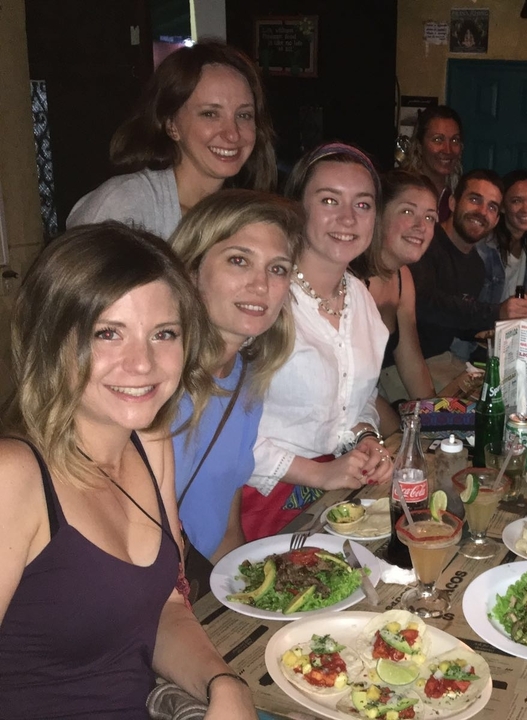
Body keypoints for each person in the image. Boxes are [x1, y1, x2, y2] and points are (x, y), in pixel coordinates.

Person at [0, 222, 255, 717]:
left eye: (163, 334)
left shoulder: (151, 440)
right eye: (107, 333)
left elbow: (165, 605)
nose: (142, 364)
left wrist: (224, 683)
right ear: (53, 340)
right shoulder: (14, 476)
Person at [244, 142, 393, 540]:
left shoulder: (360, 297)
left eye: (363, 205)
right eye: (330, 200)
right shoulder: (263, 297)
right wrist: (319, 473)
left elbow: (357, 401)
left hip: (334, 498)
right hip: (262, 503)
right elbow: (217, 430)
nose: (348, 218)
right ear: (298, 208)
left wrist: (366, 440)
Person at [168, 190, 304, 569]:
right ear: (191, 272)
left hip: (200, 583)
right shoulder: (153, 383)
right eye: (239, 261)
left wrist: (248, 594)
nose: (261, 285)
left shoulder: (245, 380)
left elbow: (226, 532)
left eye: (277, 268)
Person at [67, 40, 276, 239]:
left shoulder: (246, 213)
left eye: (243, 115)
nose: (233, 134)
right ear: (171, 124)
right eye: (210, 114)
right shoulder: (125, 206)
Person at [409, 169, 527, 390]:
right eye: (475, 199)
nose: (482, 212)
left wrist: (484, 330)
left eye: (492, 207)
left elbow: (451, 320)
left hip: (440, 358)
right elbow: (425, 305)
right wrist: (495, 312)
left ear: (496, 220)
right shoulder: (425, 241)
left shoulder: (476, 265)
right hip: (403, 364)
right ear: (453, 203)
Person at [352, 170, 439, 433]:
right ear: (378, 215)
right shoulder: (349, 281)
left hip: (365, 401)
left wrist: (438, 422)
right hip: (337, 413)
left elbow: (412, 363)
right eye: (407, 212)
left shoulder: (403, 278)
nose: (421, 226)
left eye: (429, 217)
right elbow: (350, 389)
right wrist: (403, 437)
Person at [477, 169, 527, 304]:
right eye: (516, 201)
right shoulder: (484, 247)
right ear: (502, 207)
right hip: (484, 324)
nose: (526, 208)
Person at [400, 105, 463, 222]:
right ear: (419, 146)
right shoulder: (401, 192)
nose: (447, 150)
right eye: (438, 139)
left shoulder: (460, 196)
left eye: (455, 140)